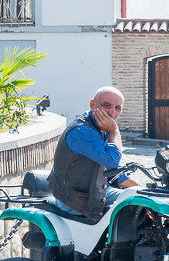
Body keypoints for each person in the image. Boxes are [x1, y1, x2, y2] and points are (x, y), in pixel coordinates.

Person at [45, 86, 139, 221]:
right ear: (92, 105)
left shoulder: (101, 127)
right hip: (74, 201)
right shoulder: (83, 131)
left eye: (118, 108)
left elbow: (114, 170)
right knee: (129, 215)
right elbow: (112, 160)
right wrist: (114, 130)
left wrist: (143, 190)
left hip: (95, 192)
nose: (112, 113)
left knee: (141, 202)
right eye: (106, 105)